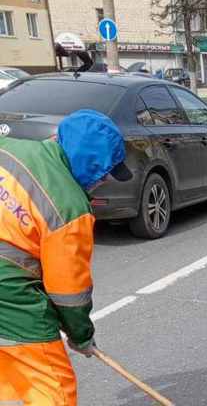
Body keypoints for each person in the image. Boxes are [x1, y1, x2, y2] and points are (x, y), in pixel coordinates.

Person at [0, 110, 132, 405]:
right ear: (92, 165)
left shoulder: (11, 148)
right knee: (53, 386)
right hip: (7, 293)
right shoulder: (69, 207)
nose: (106, 180)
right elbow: (68, 292)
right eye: (107, 172)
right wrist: (81, 335)